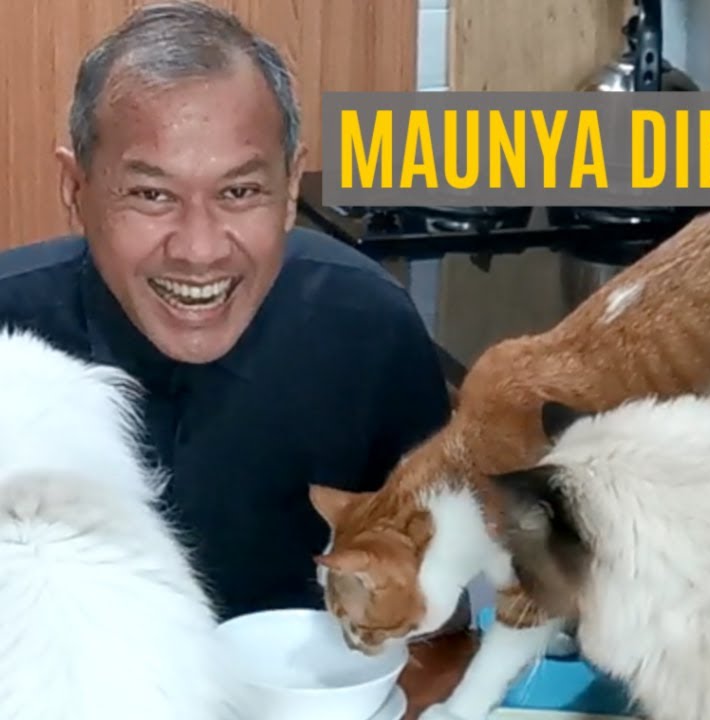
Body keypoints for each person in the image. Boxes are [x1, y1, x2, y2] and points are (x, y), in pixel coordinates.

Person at [0, 1, 466, 625]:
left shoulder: (370, 327)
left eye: (240, 191)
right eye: (151, 194)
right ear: (74, 189)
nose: (200, 250)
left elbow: (443, 600)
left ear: (290, 187)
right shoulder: (10, 331)